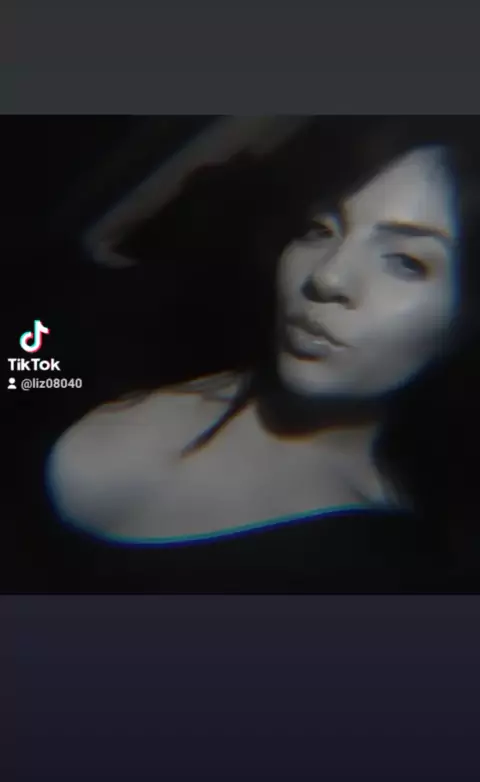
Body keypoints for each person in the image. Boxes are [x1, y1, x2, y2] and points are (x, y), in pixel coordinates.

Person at [45, 117, 480, 590]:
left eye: (406, 262)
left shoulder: (383, 577)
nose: (328, 277)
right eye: (320, 229)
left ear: (464, 323)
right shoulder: (143, 338)